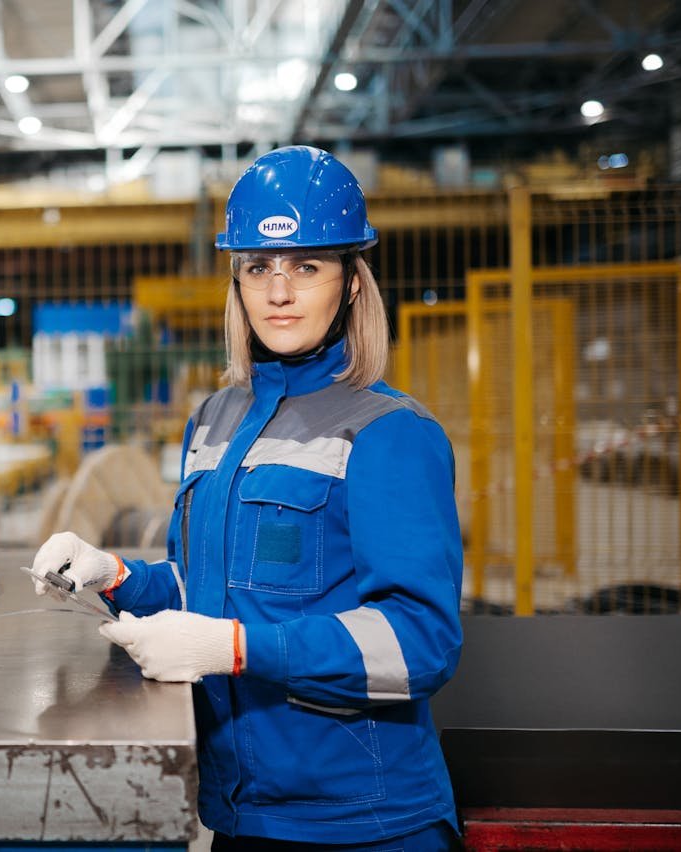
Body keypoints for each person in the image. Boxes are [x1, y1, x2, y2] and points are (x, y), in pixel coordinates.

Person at [29, 145, 463, 851]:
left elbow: (419, 644)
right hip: (238, 813)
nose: (279, 292)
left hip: (364, 824)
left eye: (307, 266)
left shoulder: (391, 435)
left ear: (352, 284)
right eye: (258, 268)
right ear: (237, 282)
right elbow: (210, 586)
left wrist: (232, 648)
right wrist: (114, 575)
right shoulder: (215, 421)